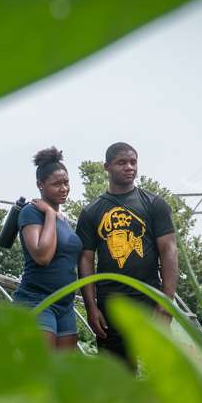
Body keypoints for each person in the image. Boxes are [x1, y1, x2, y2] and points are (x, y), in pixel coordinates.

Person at [76, 142, 179, 366]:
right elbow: (85, 259)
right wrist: (91, 307)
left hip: (149, 299)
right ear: (107, 167)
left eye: (133, 162)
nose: (129, 167)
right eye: (121, 162)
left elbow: (169, 250)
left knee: (163, 372)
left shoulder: (154, 204)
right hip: (111, 305)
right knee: (117, 378)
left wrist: (166, 301)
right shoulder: (91, 212)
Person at [13, 147, 83, 350]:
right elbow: (42, 256)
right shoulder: (31, 212)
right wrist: (50, 215)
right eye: (56, 184)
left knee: (63, 375)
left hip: (65, 305)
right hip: (37, 301)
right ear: (40, 185)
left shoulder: (65, 221)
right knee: (39, 372)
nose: (63, 189)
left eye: (66, 183)